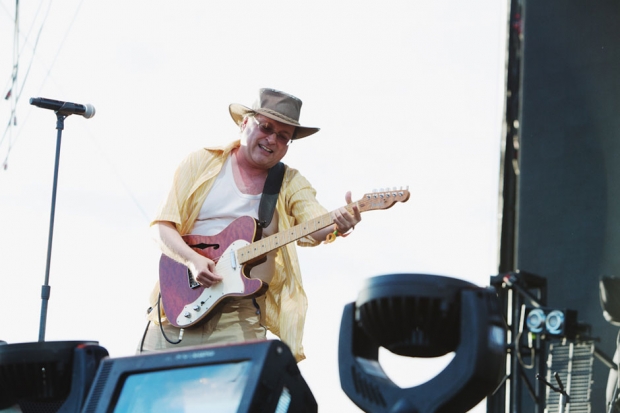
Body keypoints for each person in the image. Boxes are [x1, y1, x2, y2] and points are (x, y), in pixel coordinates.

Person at [139, 88, 361, 362]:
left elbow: (315, 224)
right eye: (266, 127)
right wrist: (193, 261)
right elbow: (161, 227)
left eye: (283, 136)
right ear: (245, 123)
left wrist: (340, 223)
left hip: (238, 317)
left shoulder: (289, 182)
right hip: (175, 307)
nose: (272, 139)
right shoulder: (200, 162)